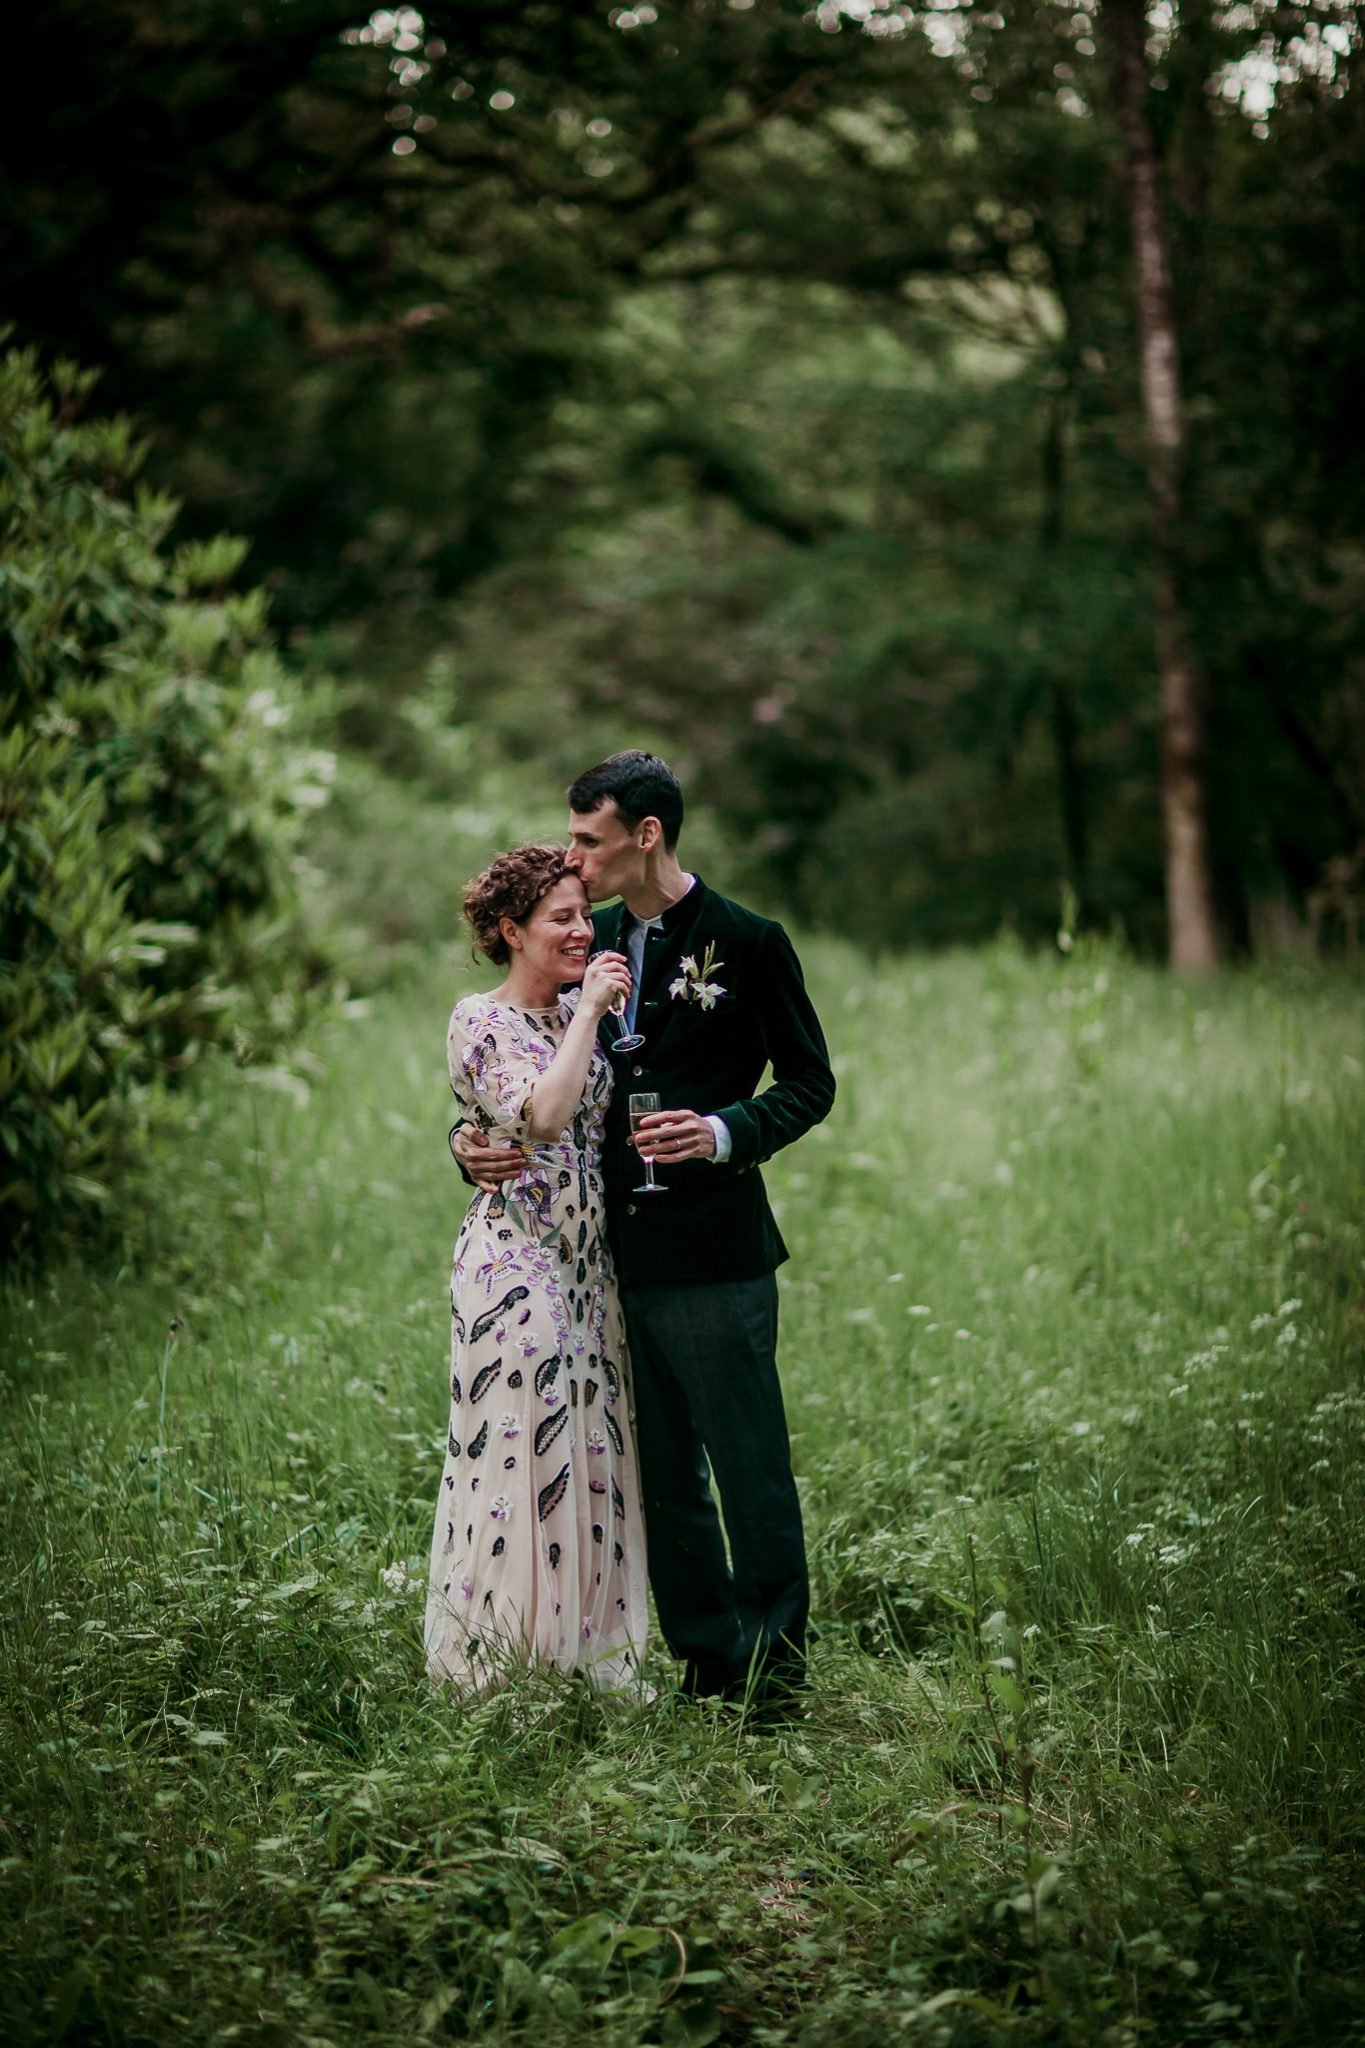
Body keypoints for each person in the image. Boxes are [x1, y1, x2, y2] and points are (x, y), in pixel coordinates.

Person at [454, 753, 835, 1706]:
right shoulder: (591, 937)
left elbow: (808, 1086)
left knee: (747, 1470)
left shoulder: (749, 942)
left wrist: (719, 1133)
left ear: (646, 835)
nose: (574, 863)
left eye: (588, 839)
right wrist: (465, 1145)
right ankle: (707, 1666)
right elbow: (521, 1070)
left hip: (713, 1255)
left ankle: (775, 1682)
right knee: (660, 1480)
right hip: (601, 1268)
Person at [424, 843, 649, 1693]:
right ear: (510, 931)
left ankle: (583, 1659)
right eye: (561, 919)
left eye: (584, 917)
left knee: (588, 1456)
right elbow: (543, 1117)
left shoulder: (576, 1012)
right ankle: (503, 1667)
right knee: (520, 1454)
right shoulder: (478, 1018)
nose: (582, 932)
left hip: (592, 1271)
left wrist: (583, 1012)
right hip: (514, 1266)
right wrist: (588, 1009)